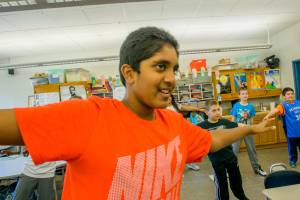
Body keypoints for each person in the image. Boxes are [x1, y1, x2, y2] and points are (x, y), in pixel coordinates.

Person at [0, 27, 274, 199]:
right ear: (129, 73)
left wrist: (250, 128)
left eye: (174, 69)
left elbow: (212, 139)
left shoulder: (173, 123)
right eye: (160, 67)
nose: (171, 78)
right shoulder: (91, 116)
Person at [199, 100, 249, 200]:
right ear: (206, 112)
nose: (217, 112)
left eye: (218, 109)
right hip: (217, 161)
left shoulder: (225, 123)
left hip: (231, 158)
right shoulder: (202, 126)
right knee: (222, 187)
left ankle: (242, 197)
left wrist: (250, 127)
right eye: (213, 110)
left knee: (237, 185)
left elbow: (240, 126)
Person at [231, 87, 267, 176]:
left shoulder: (251, 106)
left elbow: (252, 119)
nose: (245, 95)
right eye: (242, 94)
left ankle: (257, 168)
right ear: (239, 95)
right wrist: (232, 130)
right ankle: (231, 169)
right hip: (237, 131)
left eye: (246, 93)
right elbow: (233, 119)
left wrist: (252, 129)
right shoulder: (236, 106)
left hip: (248, 131)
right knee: (233, 150)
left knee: (252, 150)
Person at [264, 87, 300, 168]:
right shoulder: (283, 105)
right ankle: (293, 161)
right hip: (291, 132)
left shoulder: (298, 102)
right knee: (292, 148)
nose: (290, 95)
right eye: (288, 94)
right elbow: (275, 111)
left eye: (291, 94)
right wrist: (267, 116)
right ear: (284, 97)